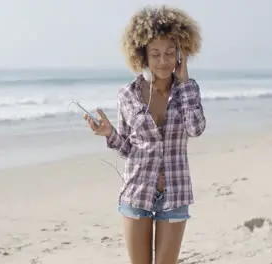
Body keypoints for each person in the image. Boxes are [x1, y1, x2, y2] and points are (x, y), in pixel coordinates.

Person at [84, 5, 206, 264]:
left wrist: (184, 84)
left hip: (175, 193)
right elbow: (128, 148)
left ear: (180, 54)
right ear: (143, 57)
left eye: (170, 53)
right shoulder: (127, 95)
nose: (164, 61)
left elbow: (196, 128)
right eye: (156, 54)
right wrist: (110, 133)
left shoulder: (188, 89)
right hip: (137, 190)